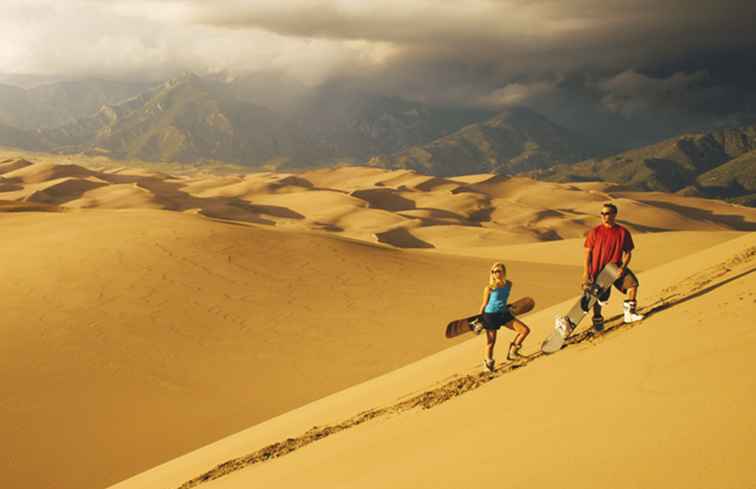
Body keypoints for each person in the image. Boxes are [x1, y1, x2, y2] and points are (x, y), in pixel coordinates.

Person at [583, 203, 643, 329]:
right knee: (599, 297)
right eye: (602, 213)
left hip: (616, 268)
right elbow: (587, 253)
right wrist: (586, 272)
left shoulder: (623, 232)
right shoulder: (595, 232)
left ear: (614, 214)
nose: (604, 216)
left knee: (633, 285)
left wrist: (623, 268)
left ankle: (629, 313)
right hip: (598, 270)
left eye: (607, 213)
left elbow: (628, 253)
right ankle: (598, 320)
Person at [474, 262, 530, 372]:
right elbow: (484, 304)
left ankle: (513, 352)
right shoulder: (489, 288)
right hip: (490, 316)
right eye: (493, 272)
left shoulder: (509, 284)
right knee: (491, 342)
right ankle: (488, 363)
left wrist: (508, 307)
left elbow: (503, 298)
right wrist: (480, 319)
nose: (495, 274)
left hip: (504, 314)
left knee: (524, 330)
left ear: (503, 272)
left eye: (498, 271)